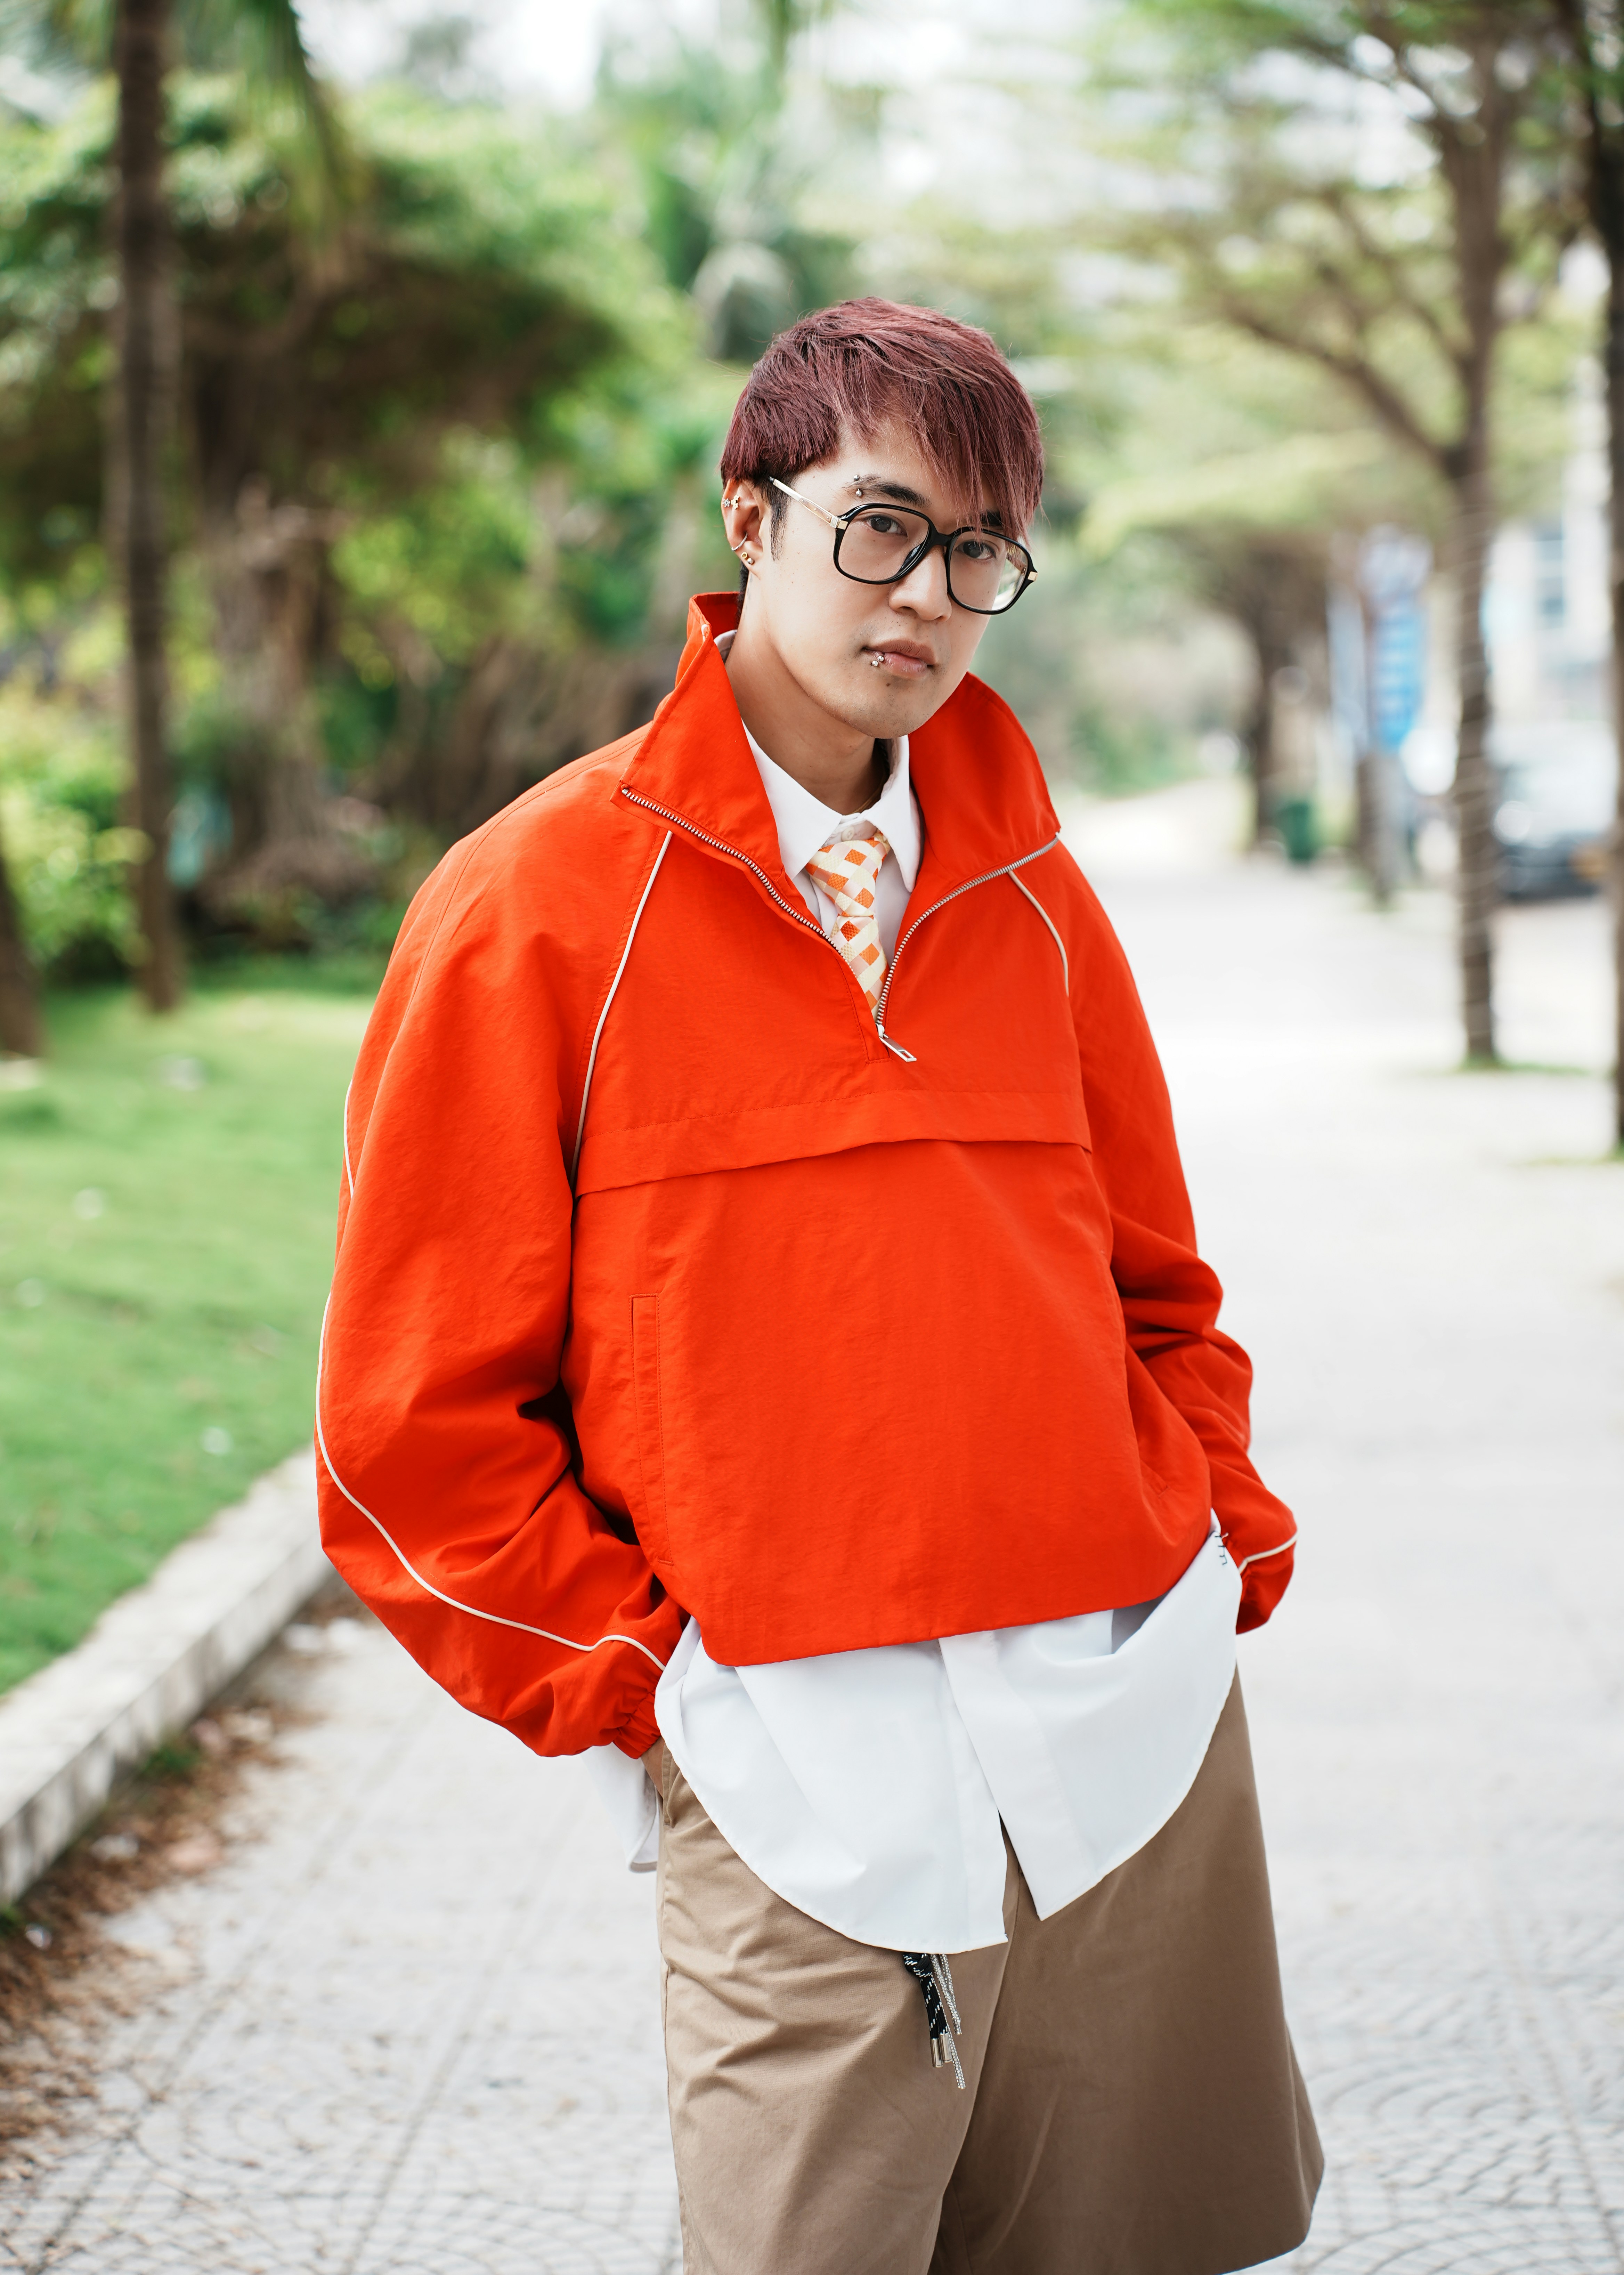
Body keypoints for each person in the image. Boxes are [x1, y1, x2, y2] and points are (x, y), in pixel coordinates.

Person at [316, 297, 1322, 2275]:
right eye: (881, 526)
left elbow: (1161, 1291)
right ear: (751, 515)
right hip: (792, 1763)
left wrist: (1210, 1543)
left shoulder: (1038, 896)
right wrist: (655, 1684)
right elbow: (405, 1431)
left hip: (1124, 1734)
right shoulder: (530, 906)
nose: (928, 596)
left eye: (978, 555)